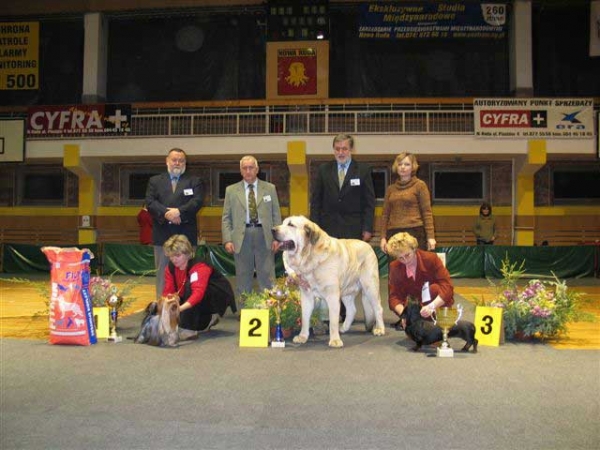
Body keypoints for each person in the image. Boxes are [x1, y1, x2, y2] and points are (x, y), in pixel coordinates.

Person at [221, 155, 282, 303]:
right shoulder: (231, 190)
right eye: (245, 168)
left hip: (265, 235)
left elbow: (276, 215)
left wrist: (277, 237)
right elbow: (226, 217)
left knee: (267, 275)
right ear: (241, 171)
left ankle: (270, 310)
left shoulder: (270, 188)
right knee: (243, 276)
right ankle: (244, 310)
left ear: (257, 169)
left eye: (251, 168)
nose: (248, 171)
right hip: (241, 237)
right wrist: (228, 239)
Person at [146, 148, 203, 299]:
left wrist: (179, 212)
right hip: (162, 234)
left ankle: (187, 306)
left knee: (188, 272)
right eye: (174, 160)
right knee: (162, 273)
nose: (177, 163)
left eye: (181, 160)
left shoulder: (194, 181)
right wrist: (167, 214)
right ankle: (163, 306)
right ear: (167, 161)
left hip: (186, 234)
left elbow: (197, 202)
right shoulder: (155, 181)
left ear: (185, 163)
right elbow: (150, 202)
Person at [162, 234, 235, 340]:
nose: (174, 259)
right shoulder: (170, 268)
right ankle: (206, 319)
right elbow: (168, 291)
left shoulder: (199, 266)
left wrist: (180, 309)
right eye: (171, 256)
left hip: (215, 295)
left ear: (187, 254)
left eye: (177, 256)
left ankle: (192, 326)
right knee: (196, 322)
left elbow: (198, 293)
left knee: (189, 286)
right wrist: (169, 303)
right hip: (190, 295)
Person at [310, 133, 376, 240]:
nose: (340, 153)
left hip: (353, 230)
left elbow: (369, 203)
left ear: (351, 150)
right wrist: (314, 227)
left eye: (344, 149)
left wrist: (368, 228)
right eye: (337, 149)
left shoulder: (363, 170)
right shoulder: (323, 170)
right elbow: (315, 202)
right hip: (327, 230)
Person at [386, 232, 454, 330]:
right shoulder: (394, 267)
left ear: (414, 249)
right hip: (415, 307)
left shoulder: (431, 259)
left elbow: (447, 287)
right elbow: (394, 297)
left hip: (435, 302)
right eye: (400, 258)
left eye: (407, 255)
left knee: (434, 289)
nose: (405, 260)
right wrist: (404, 315)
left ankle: (441, 324)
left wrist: (432, 306)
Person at [380, 152, 436, 253]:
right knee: (395, 267)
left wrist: (430, 237)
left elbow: (427, 212)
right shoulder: (390, 189)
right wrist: (383, 237)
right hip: (393, 233)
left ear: (413, 167)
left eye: (407, 164)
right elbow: (385, 215)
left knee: (416, 266)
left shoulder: (420, 185)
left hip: (415, 232)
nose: (403, 167)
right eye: (400, 164)